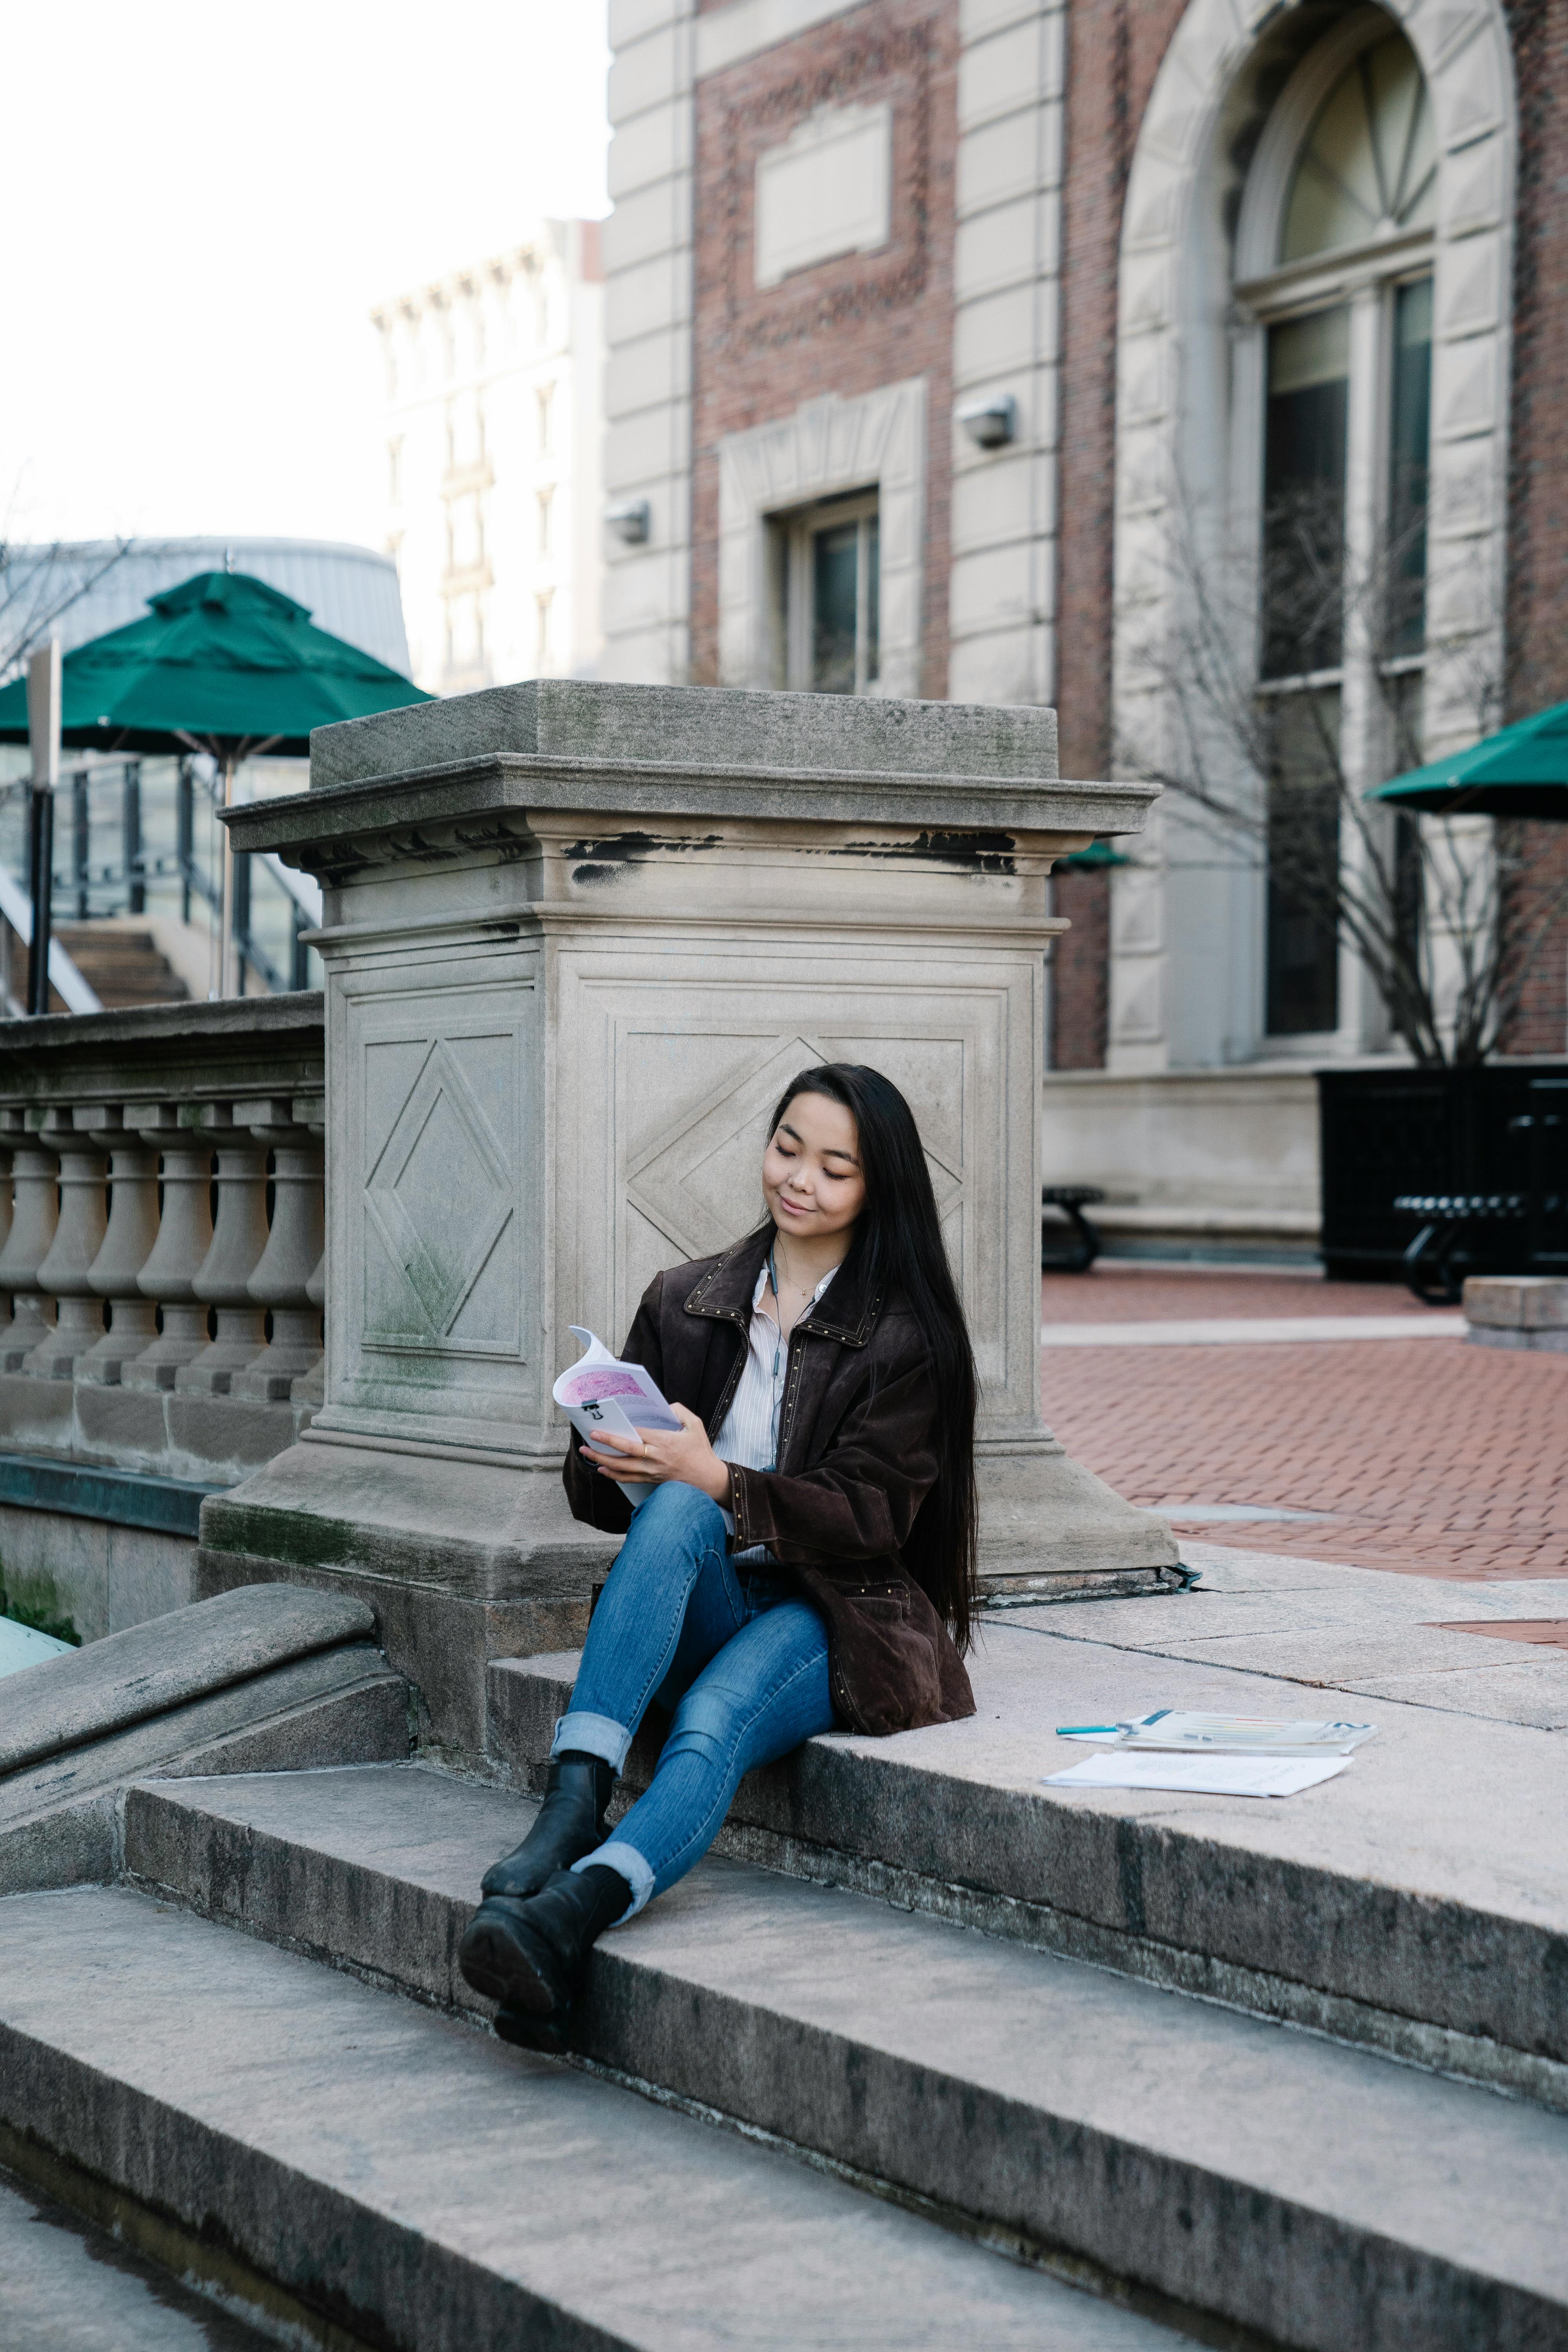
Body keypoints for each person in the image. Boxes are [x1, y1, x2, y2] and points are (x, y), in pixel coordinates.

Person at [459, 1062, 979, 2045]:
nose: (800, 1180)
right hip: (704, 1588)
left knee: (713, 1713)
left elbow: (872, 1515)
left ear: (879, 1188)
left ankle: (571, 1914)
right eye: (788, 1148)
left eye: (836, 1167)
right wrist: (614, 1456)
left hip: (836, 1612)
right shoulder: (688, 1297)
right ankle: (574, 1803)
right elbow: (603, 1507)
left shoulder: (907, 1339)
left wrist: (718, 1479)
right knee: (676, 1516)